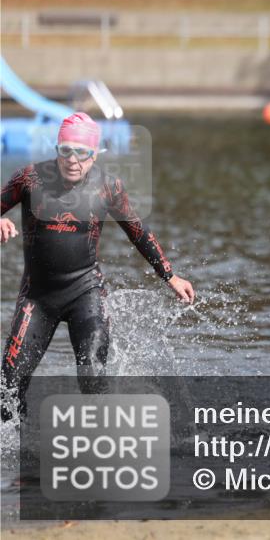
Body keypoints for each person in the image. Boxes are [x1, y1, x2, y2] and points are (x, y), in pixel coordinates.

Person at [0, 113, 195, 421]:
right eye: (66, 150)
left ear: (94, 156)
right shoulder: (29, 178)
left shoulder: (108, 188)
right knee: (8, 386)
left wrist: (170, 276)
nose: (73, 160)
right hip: (37, 298)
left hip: (85, 293)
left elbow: (137, 232)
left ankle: (104, 441)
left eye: (82, 153)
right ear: (57, 149)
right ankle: (17, 453)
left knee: (92, 375)